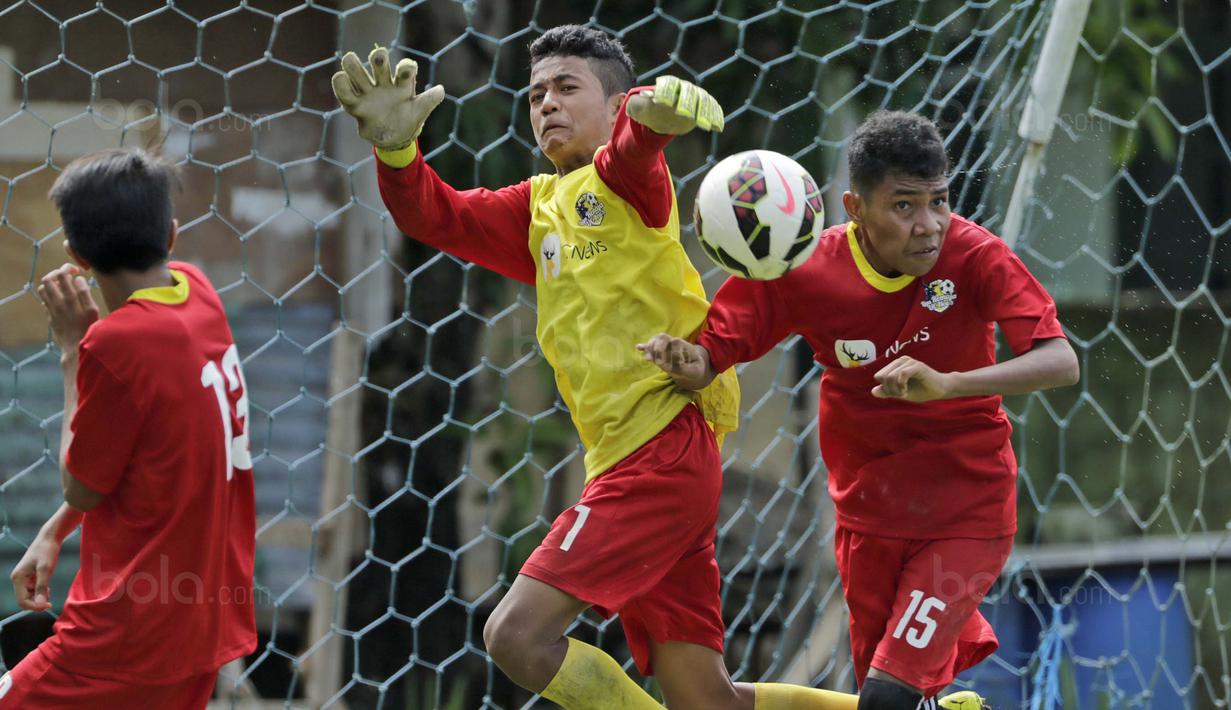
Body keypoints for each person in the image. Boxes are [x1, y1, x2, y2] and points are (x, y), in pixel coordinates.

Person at [333, 24, 867, 710]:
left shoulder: (627, 184)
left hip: (660, 456)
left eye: (566, 88)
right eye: (534, 94)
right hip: (632, 461)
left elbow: (635, 149)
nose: (546, 104)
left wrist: (651, 113)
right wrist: (395, 149)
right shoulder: (534, 209)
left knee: (515, 637)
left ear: (614, 107)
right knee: (706, 700)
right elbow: (434, 216)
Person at [640, 110, 1080, 710]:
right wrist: (683, 359)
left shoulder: (974, 255)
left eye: (939, 201)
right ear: (854, 208)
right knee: (899, 698)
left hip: (966, 512)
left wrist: (949, 384)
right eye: (904, 206)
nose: (928, 225)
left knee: (886, 698)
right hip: (868, 519)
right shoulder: (805, 269)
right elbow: (713, 354)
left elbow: (1060, 360)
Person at [2, 148, 257, 708]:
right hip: (200, 625)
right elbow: (134, 451)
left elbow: (82, 484)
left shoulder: (112, 346)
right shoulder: (200, 294)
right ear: (171, 235)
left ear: (75, 255)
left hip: (127, 633)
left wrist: (72, 349)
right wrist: (54, 531)